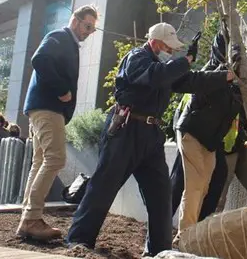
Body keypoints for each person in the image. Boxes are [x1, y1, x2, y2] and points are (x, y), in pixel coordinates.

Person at [66, 22, 234, 256]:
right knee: (103, 187)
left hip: (150, 134)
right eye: (169, 47)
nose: (173, 52)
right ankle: (79, 241)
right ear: (155, 43)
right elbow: (155, 77)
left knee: (161, 195)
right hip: (125, 130)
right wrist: (184, 62)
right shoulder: (136, 58)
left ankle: (158, 250)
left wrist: (225, 76)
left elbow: (192, 80)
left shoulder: (165, 67)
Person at [173, 25, 247, 234]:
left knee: (208, 187)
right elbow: (215, 61)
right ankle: (184, 235)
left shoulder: (239, 91)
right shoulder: (217, 74)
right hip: (192, 134)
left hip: (211, 142)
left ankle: (198, 231)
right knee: (193, 187)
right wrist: (228, 34)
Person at [17, 5, 99, 241]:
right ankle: (31, 218)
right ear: (75, 20)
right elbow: (40, 59)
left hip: (44, 108)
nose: (88, 32)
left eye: (92, 30)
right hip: (48, 108)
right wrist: (62, 90)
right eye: (87, 26)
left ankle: (28, 218)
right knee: (55, 159)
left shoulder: (67, 41)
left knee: (41, 161)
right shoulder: (60, 36)